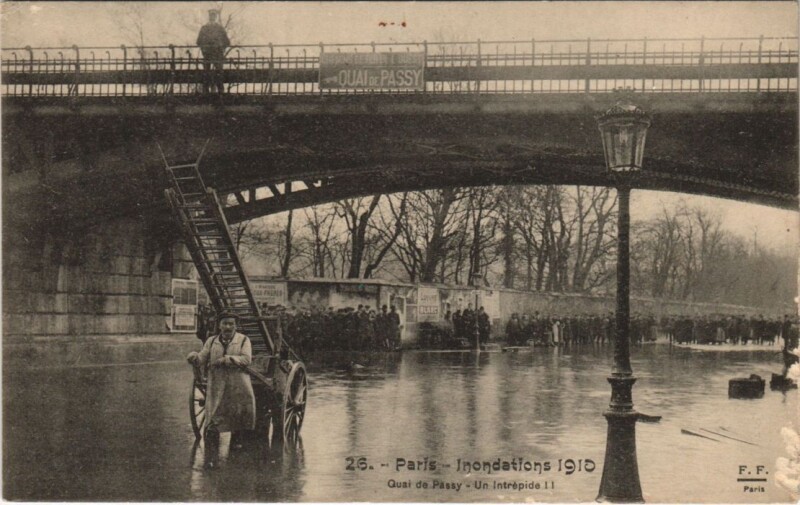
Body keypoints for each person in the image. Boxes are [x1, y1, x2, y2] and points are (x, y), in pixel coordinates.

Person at [187, 311, 255, 468]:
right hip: (217, 384)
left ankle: (235, 458)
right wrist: (194, 358)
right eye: (225, 323)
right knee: (214, 413)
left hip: (238, 384)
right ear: (219, 326)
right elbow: (203, 357)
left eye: (231, 324)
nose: (228, 327)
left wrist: (228, 359)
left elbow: (246, 359)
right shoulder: (211, 341)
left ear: (236, 326)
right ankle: (211, 459)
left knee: (238, 413)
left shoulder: (244, 340)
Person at [196, 9, 230, 94]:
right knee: (206, 72)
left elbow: (227, 41)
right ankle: (205, 90)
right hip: (207, 53)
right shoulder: (204, 28)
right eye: (211, 15)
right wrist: (204, 48)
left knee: (219, 72)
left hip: (217, 53)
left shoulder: (220, 28)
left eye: (214, 15)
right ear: (209, 16)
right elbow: (198, 41)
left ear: (216, 17)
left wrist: (221, 48)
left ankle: (220, 91)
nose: (212, 17)